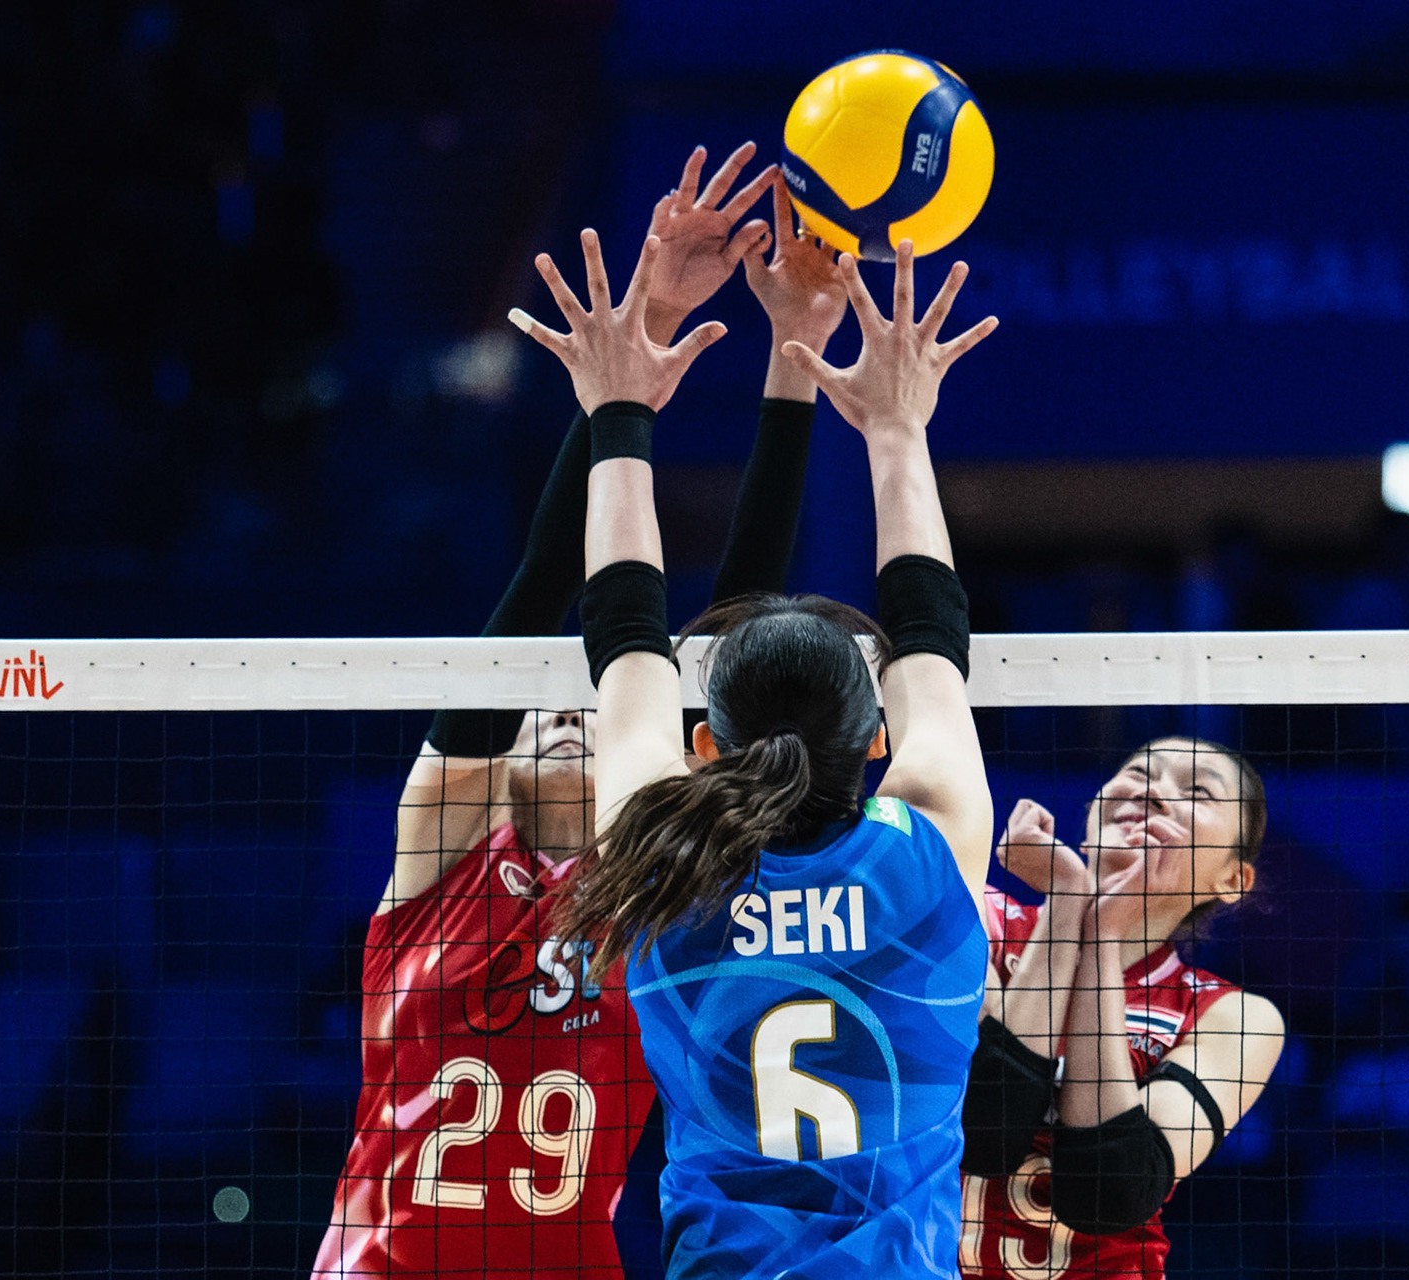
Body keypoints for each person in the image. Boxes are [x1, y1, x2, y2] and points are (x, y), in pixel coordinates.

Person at [312, 141, 853, 1280]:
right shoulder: (439, 856)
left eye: (593, 707)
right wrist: (635, 353)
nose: (561, 710)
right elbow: (542, 584)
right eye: (538, 707)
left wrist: (791, 359)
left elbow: (738, 630)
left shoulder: (662, 878)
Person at [515, 229, 997, 1278]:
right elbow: (931, 626)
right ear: (876, 738)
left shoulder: (661, 863)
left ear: (704, 743)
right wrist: (896, 428)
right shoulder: (929, 851)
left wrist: (617, 409)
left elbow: (625, 627)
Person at [959, 739, 1287, 1279]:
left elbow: (1109, 1187)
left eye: (1198, 791)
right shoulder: (982, 920)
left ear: (1233, 879)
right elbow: (985, 1125)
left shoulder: (1233, 1017)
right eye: (1140, 772)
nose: (1155, 791)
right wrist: (1070, 901)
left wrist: (1103, 934)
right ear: (1093, 811)